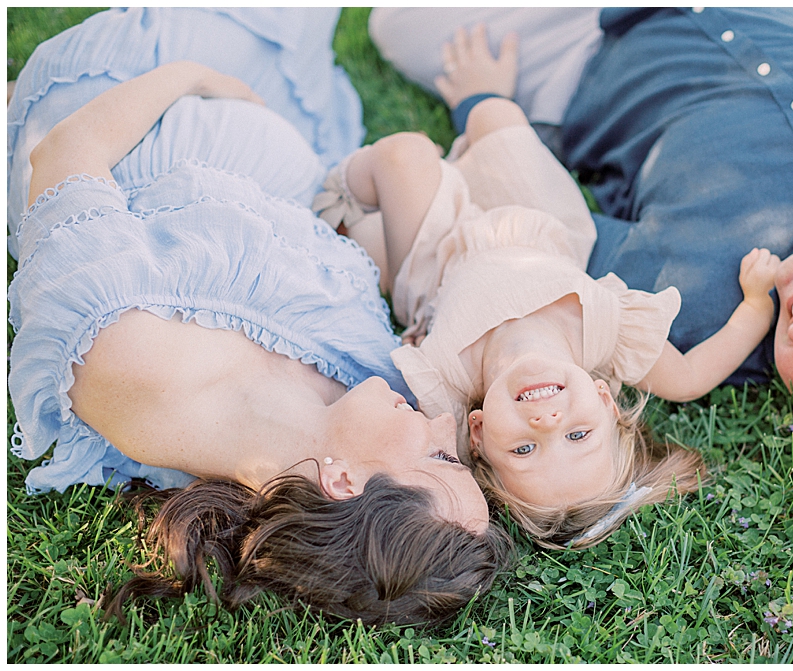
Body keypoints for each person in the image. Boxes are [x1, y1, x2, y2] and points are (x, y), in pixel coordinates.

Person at [7, 7, 510, 627]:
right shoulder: (353, 408)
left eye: (439, 459)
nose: (442, 426)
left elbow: (63, 150)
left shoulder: (131, 357)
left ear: (347, 483)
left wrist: (194, 76)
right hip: (292, 126)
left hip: (137, 85)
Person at [369, 7, 793, 469]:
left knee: (399, 24)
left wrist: (483, 104)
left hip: (582, 47)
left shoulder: (688, 310)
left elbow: (528, 234)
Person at [313, 48, 780, 547]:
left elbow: (397, 462)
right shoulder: (606, 333)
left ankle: (338, 201)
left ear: (476, 433)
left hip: (438, 258)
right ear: (605, 402)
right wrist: (756, 306)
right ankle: (471, 113)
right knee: (497, 115)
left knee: (402, 158)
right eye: (578, 435)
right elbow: (690, 379)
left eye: (523, 449)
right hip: (530, 216)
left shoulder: (444, 382)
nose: (547, 421)